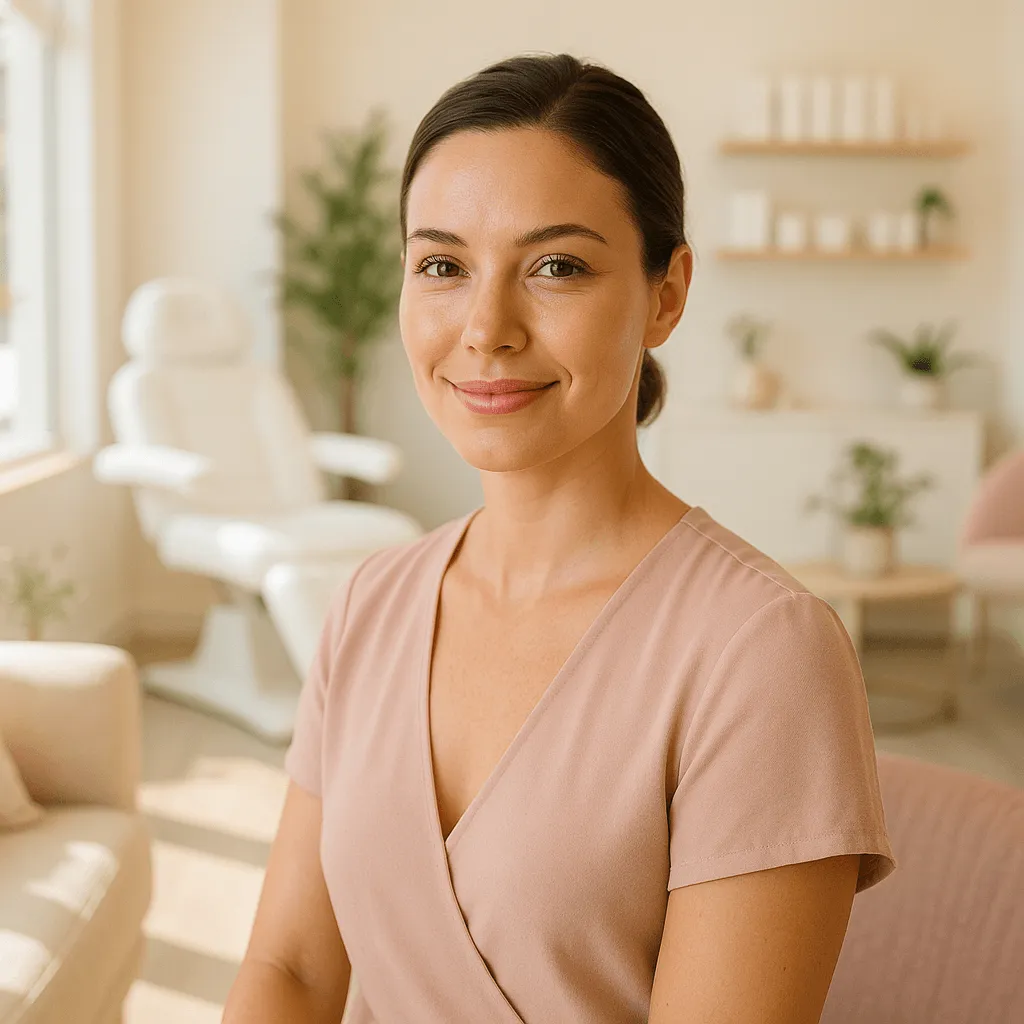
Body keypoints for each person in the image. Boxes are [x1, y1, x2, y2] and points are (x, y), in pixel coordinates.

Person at [222, 52, 896, 1024]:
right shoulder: (371, 602)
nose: (486, 327)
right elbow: (289, 968)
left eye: (556, 267)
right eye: (442, 265)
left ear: (666, 293)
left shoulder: (762, 650)